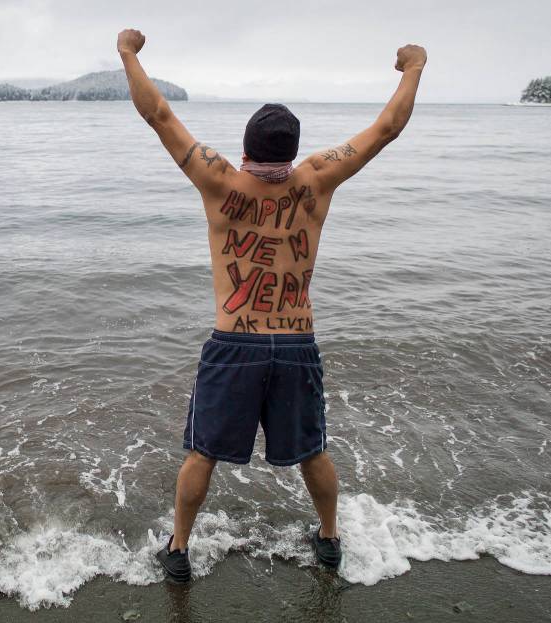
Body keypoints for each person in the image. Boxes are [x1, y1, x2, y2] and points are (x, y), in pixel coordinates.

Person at [116, 27, 426, 581]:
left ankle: (180, 550)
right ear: (294, 151)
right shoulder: (317, 181)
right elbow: (386, 129)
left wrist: (127, 53)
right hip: (295, 340)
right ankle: (329, 540)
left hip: (236, 341)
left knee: (202, 454)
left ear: (244, 149)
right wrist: (413, 68)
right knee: (312, 451)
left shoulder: (219, 183)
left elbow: (160, 115)